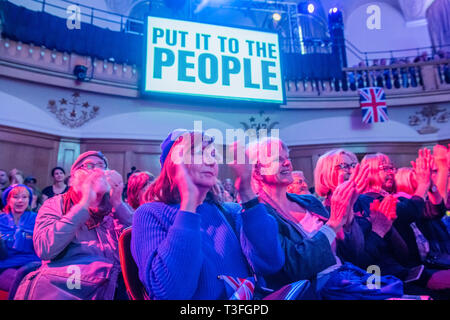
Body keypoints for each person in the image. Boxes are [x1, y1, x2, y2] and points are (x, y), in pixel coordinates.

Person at [131, 130, 284, 300]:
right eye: (198, 153)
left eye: (212, 154)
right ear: (174, 164)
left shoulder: (230, 211)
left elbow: (271, 263)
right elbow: (169, 292)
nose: (211, 161)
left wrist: (246, 191)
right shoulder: (150, 214)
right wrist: (189, 202)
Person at [247, 139, 402, 299]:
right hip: (314, 292)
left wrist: (348, 210)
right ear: (257, 170)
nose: (287, 163)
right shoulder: (259, 215)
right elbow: (293, 269)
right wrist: (333, 223)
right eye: (277, 159)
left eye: (288, 158)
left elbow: (353, 254)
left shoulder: (310, 202)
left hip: (345, 279)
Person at [13, 151, 134, 300]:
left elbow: (140, 244)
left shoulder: (114, 207)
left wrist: (118, 204)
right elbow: (45, 249)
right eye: (89, 166)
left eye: (101, 166)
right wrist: (84, 205)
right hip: (71, 287)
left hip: (112, 287)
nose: (96, 171)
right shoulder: (56, 204)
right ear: (74, 176)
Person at [0, 184, 40, 292]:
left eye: (24, 197)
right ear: (8, 200)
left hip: (32, 264)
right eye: (16, 197)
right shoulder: (1, 220)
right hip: (6, 265)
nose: (20, 200)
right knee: (18, 284)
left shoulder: (37, 218)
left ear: (29, 200)